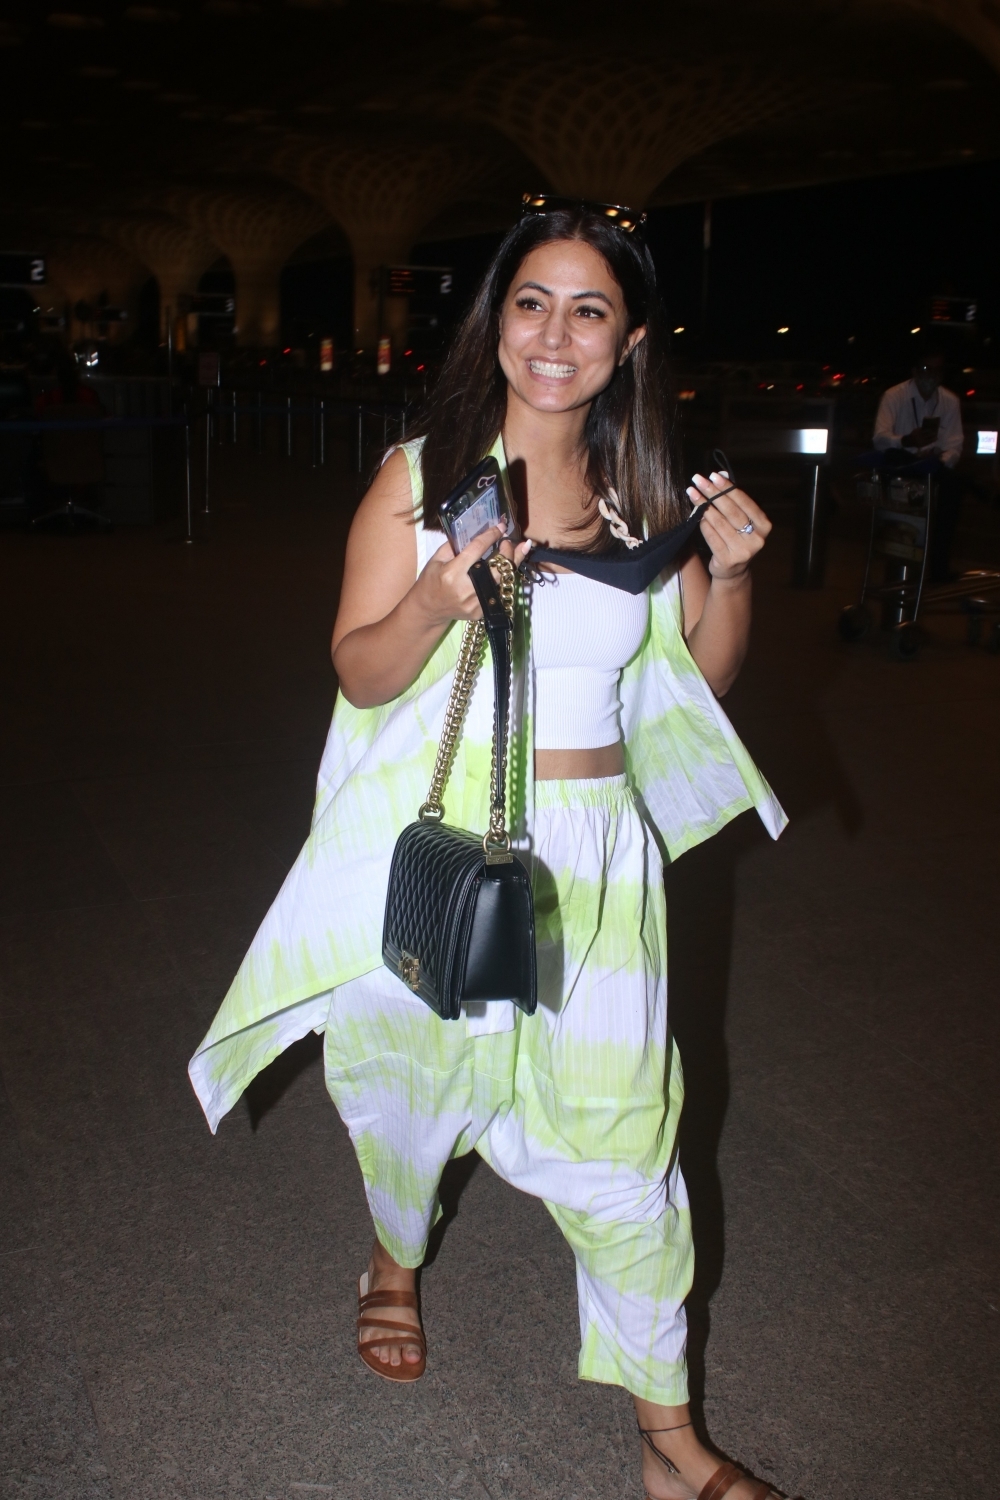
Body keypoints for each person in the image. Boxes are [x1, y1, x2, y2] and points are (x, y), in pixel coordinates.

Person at [189, 201, 790, 1500]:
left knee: (633, 1141)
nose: (556, 334)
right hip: (459, 835)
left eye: (589, 309)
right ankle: (393, 1260)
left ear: (628, 341)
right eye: (532, 302)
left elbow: (703, 682)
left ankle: (668, 1442)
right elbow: (358, 672)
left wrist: (731, 580)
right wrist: (427, 601)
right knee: (417, 1085)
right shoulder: (422, 483)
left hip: (602, 863)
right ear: (496, 321)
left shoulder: (640, 503)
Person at [873, 352, 965, 581]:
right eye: (926, 369)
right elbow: (880, 438)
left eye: (937, 370)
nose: (931, 376)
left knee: (952, 491)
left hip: (931, 467)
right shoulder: (895, 395)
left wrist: (938, 459)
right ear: (914, 372)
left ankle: (938, 568)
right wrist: (907, 440)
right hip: (901, 463)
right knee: (897, 457)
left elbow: (955, 444)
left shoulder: (950, 401)